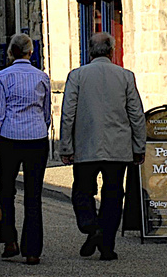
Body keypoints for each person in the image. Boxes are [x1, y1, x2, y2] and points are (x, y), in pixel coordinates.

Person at [59, 32, 145, 261]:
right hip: (118, 147)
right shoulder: (125, 76)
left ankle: (90, 226)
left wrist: (65, 146)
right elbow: (136, 115)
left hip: (86, 146)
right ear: (111, 51)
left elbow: (68, 114)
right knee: (114, 195)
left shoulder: (77, 76)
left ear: (89, 51)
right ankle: (107, 245)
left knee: (82, 191)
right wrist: (139, 146)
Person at [0, 32, 52, 265]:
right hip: (36, 138)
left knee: (6, 190)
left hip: (10, 137)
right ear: (31, 52)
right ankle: (32, 250)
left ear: (11, 52)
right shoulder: (42, 77)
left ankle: (9, 240)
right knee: (34, 195)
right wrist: (41, 129)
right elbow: (46, 112)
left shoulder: (3, 77)